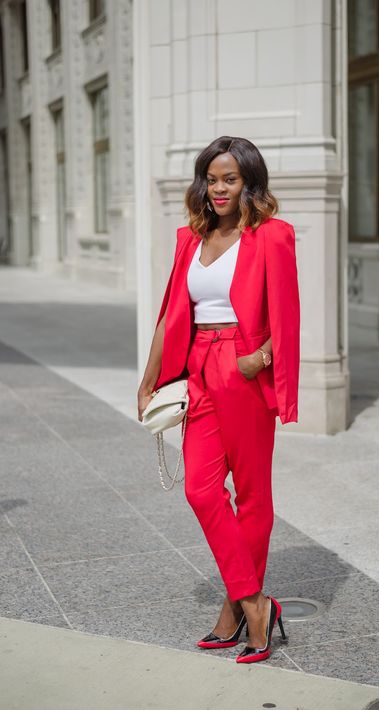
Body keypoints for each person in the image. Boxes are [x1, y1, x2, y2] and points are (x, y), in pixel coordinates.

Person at [138, 136, 300, 664]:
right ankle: (254, 602)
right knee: (202, 490)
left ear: (249, 181)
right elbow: (169, 312)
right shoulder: (191, 238)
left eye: (229, 178)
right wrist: (148, 379)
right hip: (200, 371)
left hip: (245, 370)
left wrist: (262, 358)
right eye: (211, 178)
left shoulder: (272, 236)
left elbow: (289, 315)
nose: (219, 188)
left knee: (252, 494)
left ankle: (235, 612)